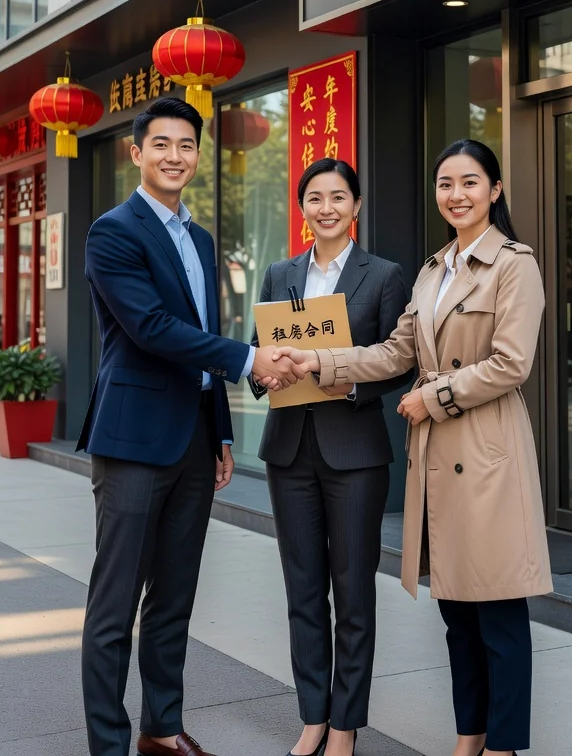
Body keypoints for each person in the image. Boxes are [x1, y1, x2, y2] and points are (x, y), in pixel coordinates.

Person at [279, 140, 551, 756]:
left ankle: (503, 746)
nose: (457, 195)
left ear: (495, 190)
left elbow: (512, 363)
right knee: (456, 610)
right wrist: (320, 361)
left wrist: (436, 397)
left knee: (498, 610)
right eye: (446, 184)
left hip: (487, 449)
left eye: (470, 183)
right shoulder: (434, 270)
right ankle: (469, 737)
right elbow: (394, 352)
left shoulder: (514, 264)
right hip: (438, 456)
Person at [78, 96, 306, 756]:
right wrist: (250, 359)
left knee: (174, 597)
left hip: (194, 441)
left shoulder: (201, 239)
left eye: (186, 146)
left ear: (198, 156)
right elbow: (151, 328)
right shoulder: (112, 232)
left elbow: (201, 334)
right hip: (133, 439)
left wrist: (221, 431)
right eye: (162, 144)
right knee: (116, 603)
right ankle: (108, 744)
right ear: (137, 153)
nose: (174, 156)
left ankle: (161, 727)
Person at [250, 159, 411, 756]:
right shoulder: (279, 273)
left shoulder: (385, 275)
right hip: (288, 449)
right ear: (302, 208)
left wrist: (348, 381)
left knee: (353, 591)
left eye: (338, 197)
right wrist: (265, 373)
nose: (326, 208)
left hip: (355, 452)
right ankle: (312, 716)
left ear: (356, 206)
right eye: (314, 198)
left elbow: (400, 361)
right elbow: (257, 351)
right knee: (302, 589)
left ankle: (345, 723)